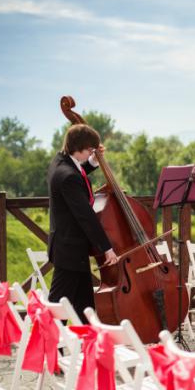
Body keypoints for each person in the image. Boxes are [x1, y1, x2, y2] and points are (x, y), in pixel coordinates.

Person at [47, 124, 118, 322]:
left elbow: (78, 172)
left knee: (85, 309)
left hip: (70, 249)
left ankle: (85, 348)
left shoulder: (60, 162)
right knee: (58, 309)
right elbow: (86, 216)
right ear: (79, 148)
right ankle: (48, 349)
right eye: (90, 150)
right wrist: (106, 247)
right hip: (69, 251)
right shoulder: (68, 177)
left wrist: (92, 162)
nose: (91, 153)